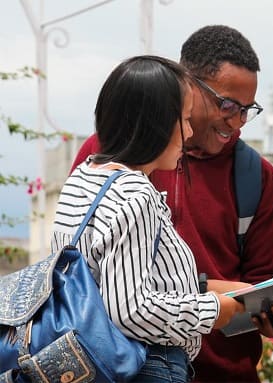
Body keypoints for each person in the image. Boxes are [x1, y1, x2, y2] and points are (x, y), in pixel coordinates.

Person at [69, 26, 273, 383]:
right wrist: (208, 295)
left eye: (247, 110)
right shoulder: (108, 157)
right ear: (186, 85)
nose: (236, 123)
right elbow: (83, 276)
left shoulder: (258, 177)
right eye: (227, 105)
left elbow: (265, 288)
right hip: (123, 369)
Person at [51, 55, 244, 382]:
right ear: (154, 124)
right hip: (145, 364)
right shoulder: (135, 193)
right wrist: (214, 311)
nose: (189, 130)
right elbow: (131, 310)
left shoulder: (83, 177)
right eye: (183, 119)